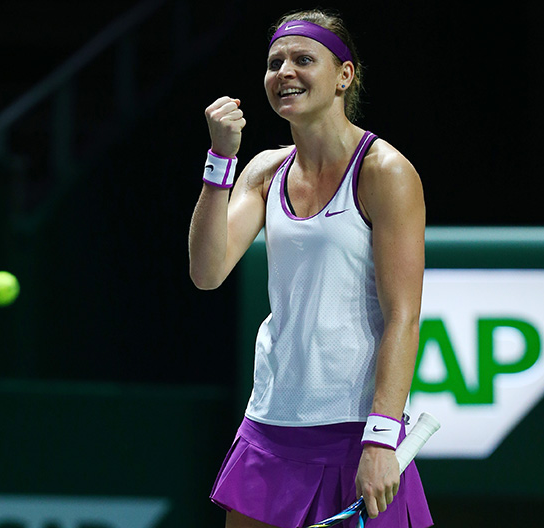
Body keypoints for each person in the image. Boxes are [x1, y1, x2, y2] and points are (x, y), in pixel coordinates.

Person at [189, 8, 431, 528]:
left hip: (355, 429)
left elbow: (404, 316)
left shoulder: (384, 171)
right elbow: (206, 271)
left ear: (345, 76)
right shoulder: (263, 170)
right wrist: (219, 160)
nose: (285, 73)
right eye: (275, 63)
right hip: (271, 421)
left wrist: (382, 435)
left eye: (303, 59)